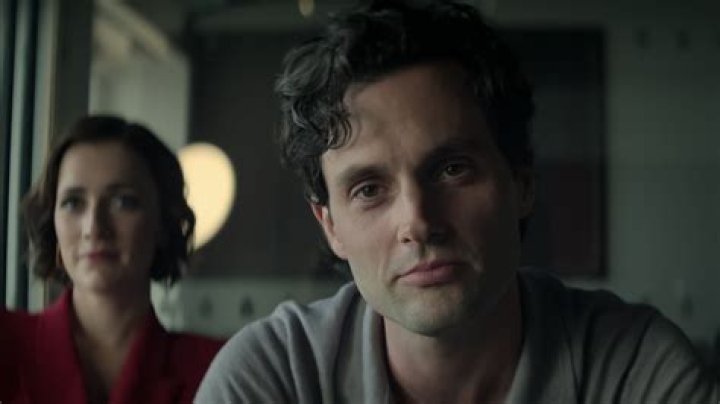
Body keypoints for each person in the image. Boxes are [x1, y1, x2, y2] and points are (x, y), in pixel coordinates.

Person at [196, 1, 719, 403]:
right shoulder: (274, 378)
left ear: (522, 182)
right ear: (330, 225)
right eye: (369, 189)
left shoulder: (632, 368)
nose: (418, 222)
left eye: (452, 169)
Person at [0, 115, 224, 403]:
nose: (94, 227)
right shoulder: (6, 342)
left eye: (123, 201)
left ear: (162, 223)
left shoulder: (217, 367)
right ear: (52, 222)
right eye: (73, 202)